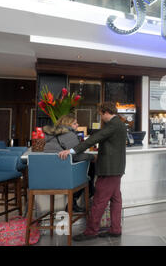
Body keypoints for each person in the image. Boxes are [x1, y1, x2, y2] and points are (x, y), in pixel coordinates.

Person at [58, 102, 127, 241]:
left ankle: (91, 231)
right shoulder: (119, 124)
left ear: (106, 112)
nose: (101, 117)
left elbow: (93, 139)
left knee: (99, 201)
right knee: (115, 200)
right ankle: (115, 229)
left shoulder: (113, 125)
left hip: (109, 169)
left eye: (101, 114)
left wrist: (71, 150)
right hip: (116, 168)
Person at [43, 114, 96, 212]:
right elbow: (76, 156)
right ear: (67, 124)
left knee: (87, 167)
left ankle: (77, 200)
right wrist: (92, 156)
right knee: (91, 166)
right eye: (75, 123)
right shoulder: (69, 135)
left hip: (49, 176)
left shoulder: (50, 135)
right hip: (64, 176)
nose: (78, 125)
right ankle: (87, 193)